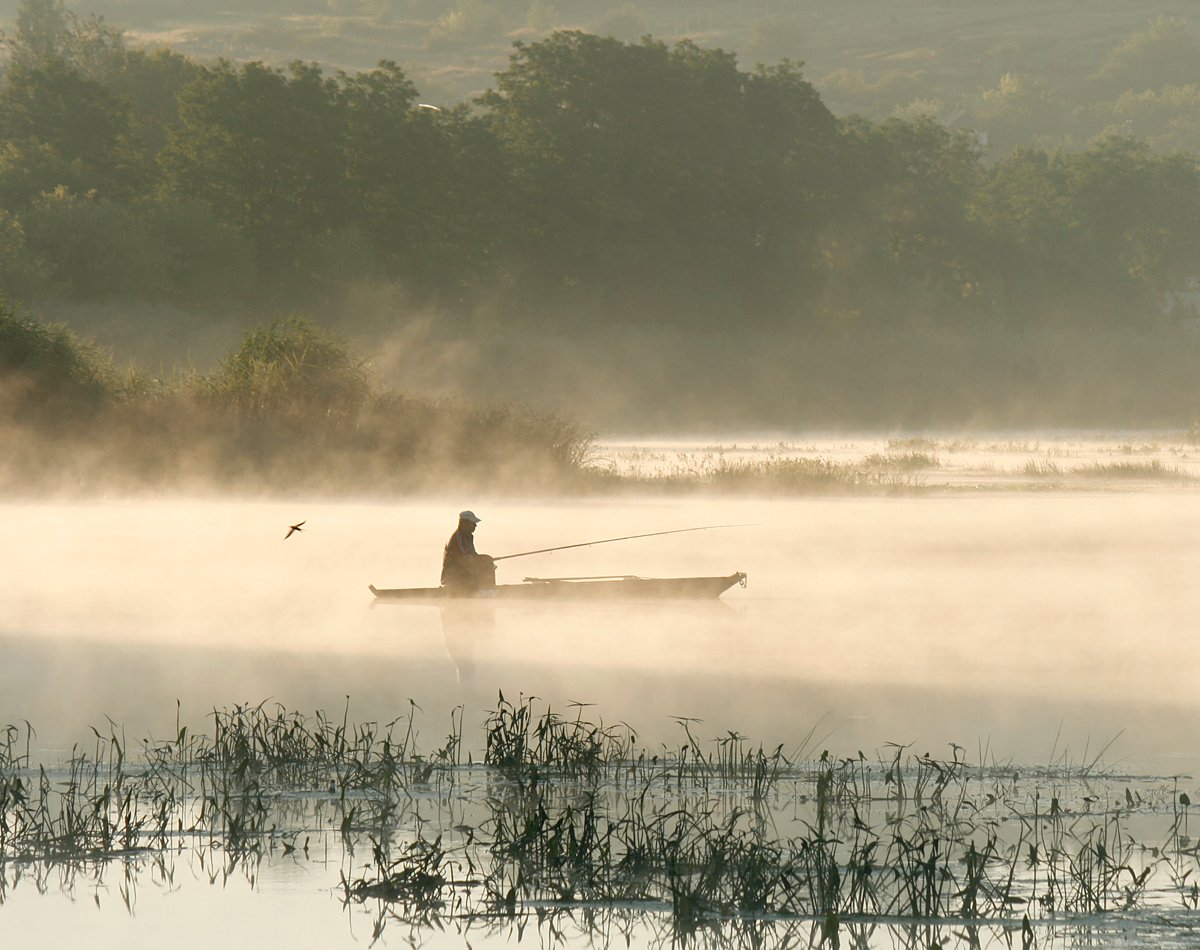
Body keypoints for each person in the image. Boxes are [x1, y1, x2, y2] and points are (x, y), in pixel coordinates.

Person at [440, 510, 496, 591]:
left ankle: (488, 590)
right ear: (464, 523)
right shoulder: (458, 537)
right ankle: (487, 591)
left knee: (487, 561)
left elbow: (473, 556)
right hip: (453, 579)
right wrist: (483, 560)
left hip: (463, 573)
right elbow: (466, 559)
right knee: (486, 563)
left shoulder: (468, 536)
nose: (475, 525)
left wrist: (486, 559)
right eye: (473, 523)